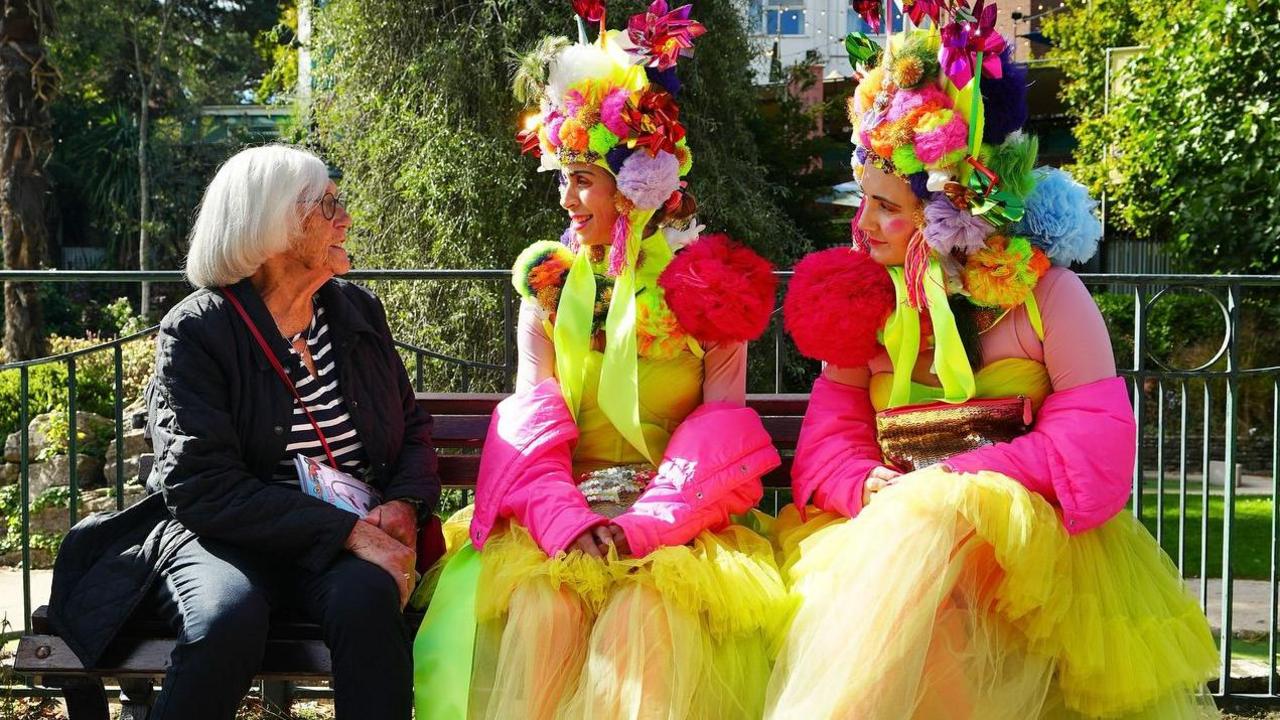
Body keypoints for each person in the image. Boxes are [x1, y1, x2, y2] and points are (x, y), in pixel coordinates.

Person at [765, 12, 1219, 720]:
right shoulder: (863, 303)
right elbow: (830, 441)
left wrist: (946, 486)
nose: (864, 225)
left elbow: (1094, 447)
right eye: (864, 202)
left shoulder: (1048, 296)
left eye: (887, 207)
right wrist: (864, 484)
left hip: (1023, 561)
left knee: (929, 559)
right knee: (903, 581)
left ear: (949, 207)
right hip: (878, 543)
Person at [412, 5, 786, 719]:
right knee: (544, 614)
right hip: (566, 519)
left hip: (673, 527)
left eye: (583, 178)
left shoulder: (709, 289)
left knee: (647, 620)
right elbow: (531, 421)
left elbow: (721, 431)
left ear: (638, 183)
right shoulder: (547, 288)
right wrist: (565, 525)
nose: (566, 197)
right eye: (563, 177)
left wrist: (641, 525)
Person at [48, 144, 440, 720]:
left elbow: (411, 428)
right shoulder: (198, 331)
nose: (345, 218)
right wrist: (347, 533)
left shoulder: (356, 311)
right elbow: (202, 487)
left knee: (369, 603)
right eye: (328, 204)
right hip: (226, 538)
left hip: (338, 538)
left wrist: (405, 504)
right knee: (228, 618)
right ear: (275, 225)